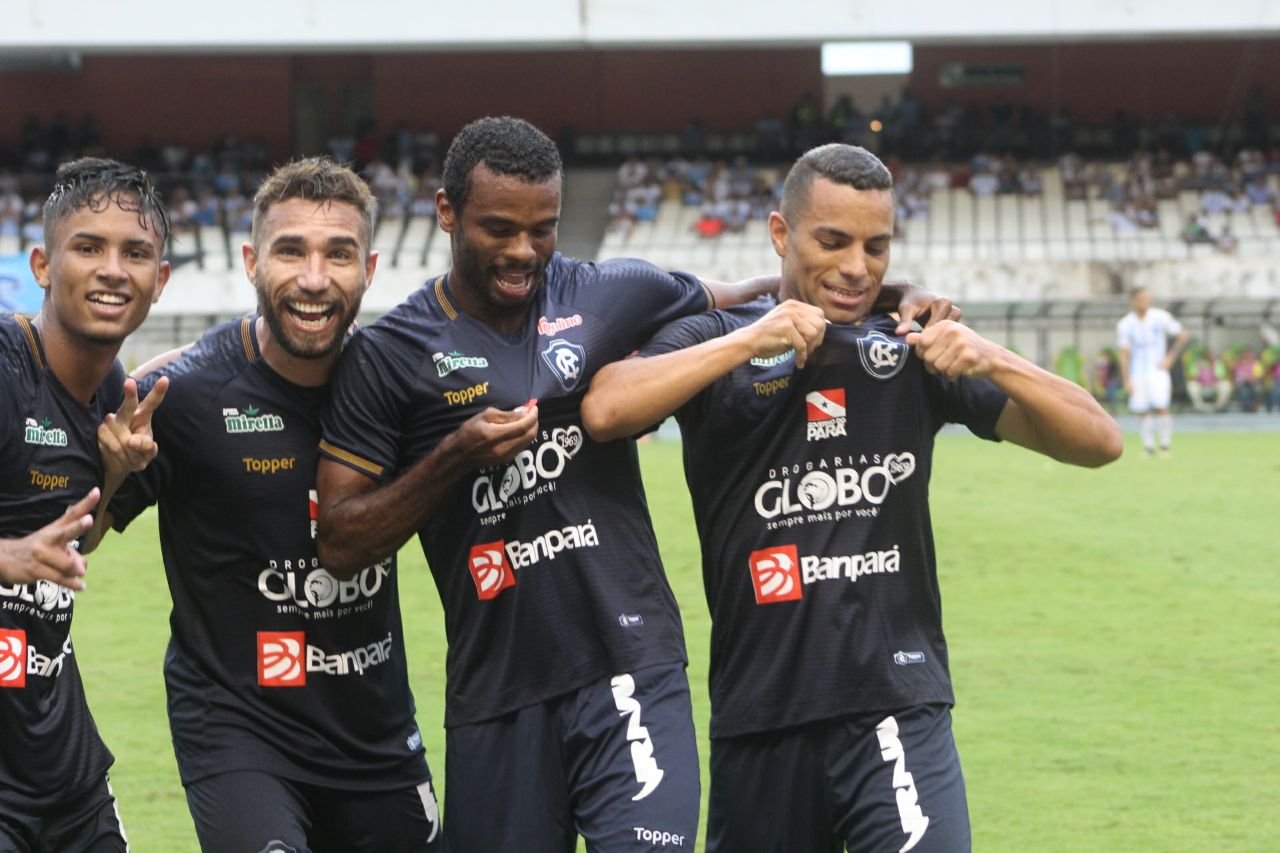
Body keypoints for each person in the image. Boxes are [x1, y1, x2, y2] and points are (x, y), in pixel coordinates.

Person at [313, 117, 952, 852]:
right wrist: (455, 455)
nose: (525, 250)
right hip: (495, 691)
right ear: (447, 213)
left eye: (543, 228)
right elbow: (340, 540)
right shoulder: (387, 356)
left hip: (630, 662)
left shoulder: (611, 291)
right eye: (500, 228)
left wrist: (897, 290)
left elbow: (756, 292)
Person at [581, 143, 1123, 853]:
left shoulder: (910, 346)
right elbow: (606, 410)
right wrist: (753, 338)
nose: (857, 268)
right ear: (782, 234)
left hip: (898, 705)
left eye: (876, 246)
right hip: (760, 716)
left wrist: (993, 356)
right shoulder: (719, 340)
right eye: (832, 241)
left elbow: (1098, 439)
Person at [89, 158, 441, 852]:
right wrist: (111, 468)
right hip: (240, 729)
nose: (314, 278)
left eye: (338, 254)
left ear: (368, 268)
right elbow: (82, 533)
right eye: (290, 251)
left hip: (372, 730)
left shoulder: (393, 386)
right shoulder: (181, 395)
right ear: (251, 261)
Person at [0, 157, 171, 852]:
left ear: (159, 281)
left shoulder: (112, 395)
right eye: (88, 247)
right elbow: (22, 551)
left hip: (63, 770)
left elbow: (73, 543)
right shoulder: (7, 365)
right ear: (42, 264)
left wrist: (114, 474)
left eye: (135, 252)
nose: (112, 269)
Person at [1116, 286, 1189, 458]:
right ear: (1133, 301)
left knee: (1161, 406)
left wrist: (1170, 357)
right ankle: (1148, 447)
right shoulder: (1125, 324)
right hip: (1137, 373)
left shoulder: (1160, 317)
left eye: (1147, 298)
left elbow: (1183, 335)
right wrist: (1126, 378)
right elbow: (1124, 353)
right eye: (1141, 298)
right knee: (1142, 410)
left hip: (1157, 371)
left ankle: (1165, 445)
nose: (1145, 302)